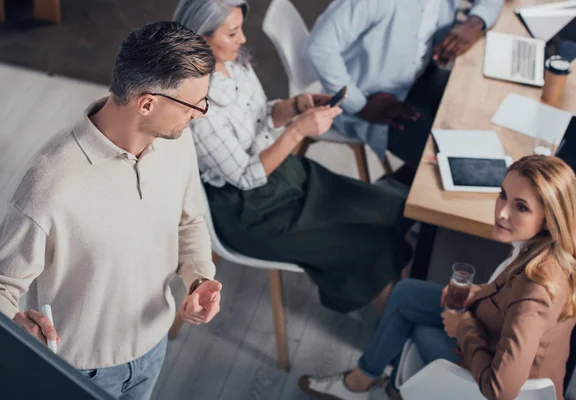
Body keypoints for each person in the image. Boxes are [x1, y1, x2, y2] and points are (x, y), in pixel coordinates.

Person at [0, 22, 222, 400]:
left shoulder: (178, 141)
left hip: (153, 346)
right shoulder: (51, 182)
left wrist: (198, 278)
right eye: (194, 104)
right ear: (147, 103)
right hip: (80, 370)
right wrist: (14, 325)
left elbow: (189, 220)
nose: (201, 114)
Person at [172, 0, 414, 316]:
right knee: (367, 245)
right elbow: (246, 177)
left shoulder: (233, 64)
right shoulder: (198, 106)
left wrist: (297, 106)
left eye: (240, 29)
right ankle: (397, 324)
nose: (242, 39)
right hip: (250, 211)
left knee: (381, 207)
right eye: (232, 33)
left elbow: (260, 115)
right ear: (199, 38)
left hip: (281, 174)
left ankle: (405, 297)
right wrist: (297, 132)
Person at [299, 155, 576, 400]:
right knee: (406, 292)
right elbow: (509, 294)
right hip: (493, 333)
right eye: (502, 194)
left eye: (521, 207)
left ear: (549, 219)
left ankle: (378, 384)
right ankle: (369, 381)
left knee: (418, 330)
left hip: (508, 384)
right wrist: (478, 293)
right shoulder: (539, 250)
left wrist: (464, 326)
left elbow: (501, 390)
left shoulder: (537, 290)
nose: (502, 212)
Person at [306, 0, 503, 181]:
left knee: (487, 123)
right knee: (462, 172)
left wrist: (475, 22)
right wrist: (360, 105)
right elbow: (319, 48)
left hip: (421, 78)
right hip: (372, 105)